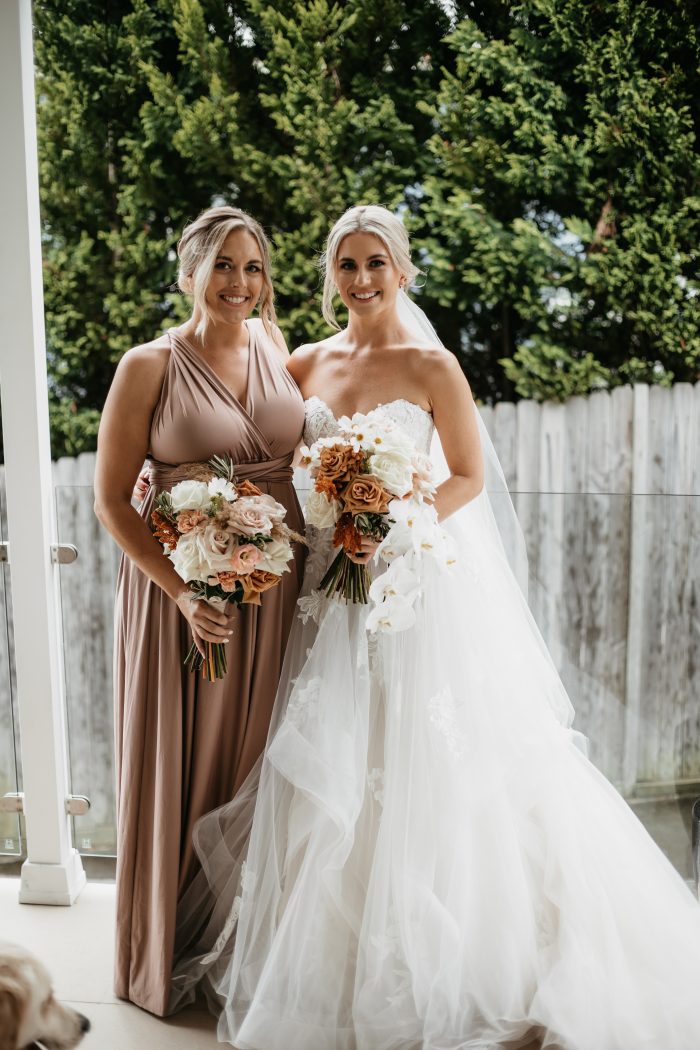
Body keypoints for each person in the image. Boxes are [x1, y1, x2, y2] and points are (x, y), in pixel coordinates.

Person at [169, 206, 700, 1048]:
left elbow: (468, 478)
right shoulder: (303, 361)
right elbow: (267, 446)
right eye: (346, 265)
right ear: (329, 276)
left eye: (376, 262)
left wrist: (392, 516)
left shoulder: (433, 365)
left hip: (413, 587)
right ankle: (331, 964)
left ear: (403, 270)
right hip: (328, 595)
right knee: (338, 762)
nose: (362, 279)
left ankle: (470, 963)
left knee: (437, 764)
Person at [94, 205, 306, 1016]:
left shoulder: (278, 349)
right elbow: (114, 501)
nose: (240, 283)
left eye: (253, 267)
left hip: (275, 591)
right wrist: (182, 590)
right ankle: (164, 951)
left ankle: (235, 955)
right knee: (182, 764)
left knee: (255, 767)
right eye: (223, 265)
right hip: (181, 594)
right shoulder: (148, 363)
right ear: (188, 273)